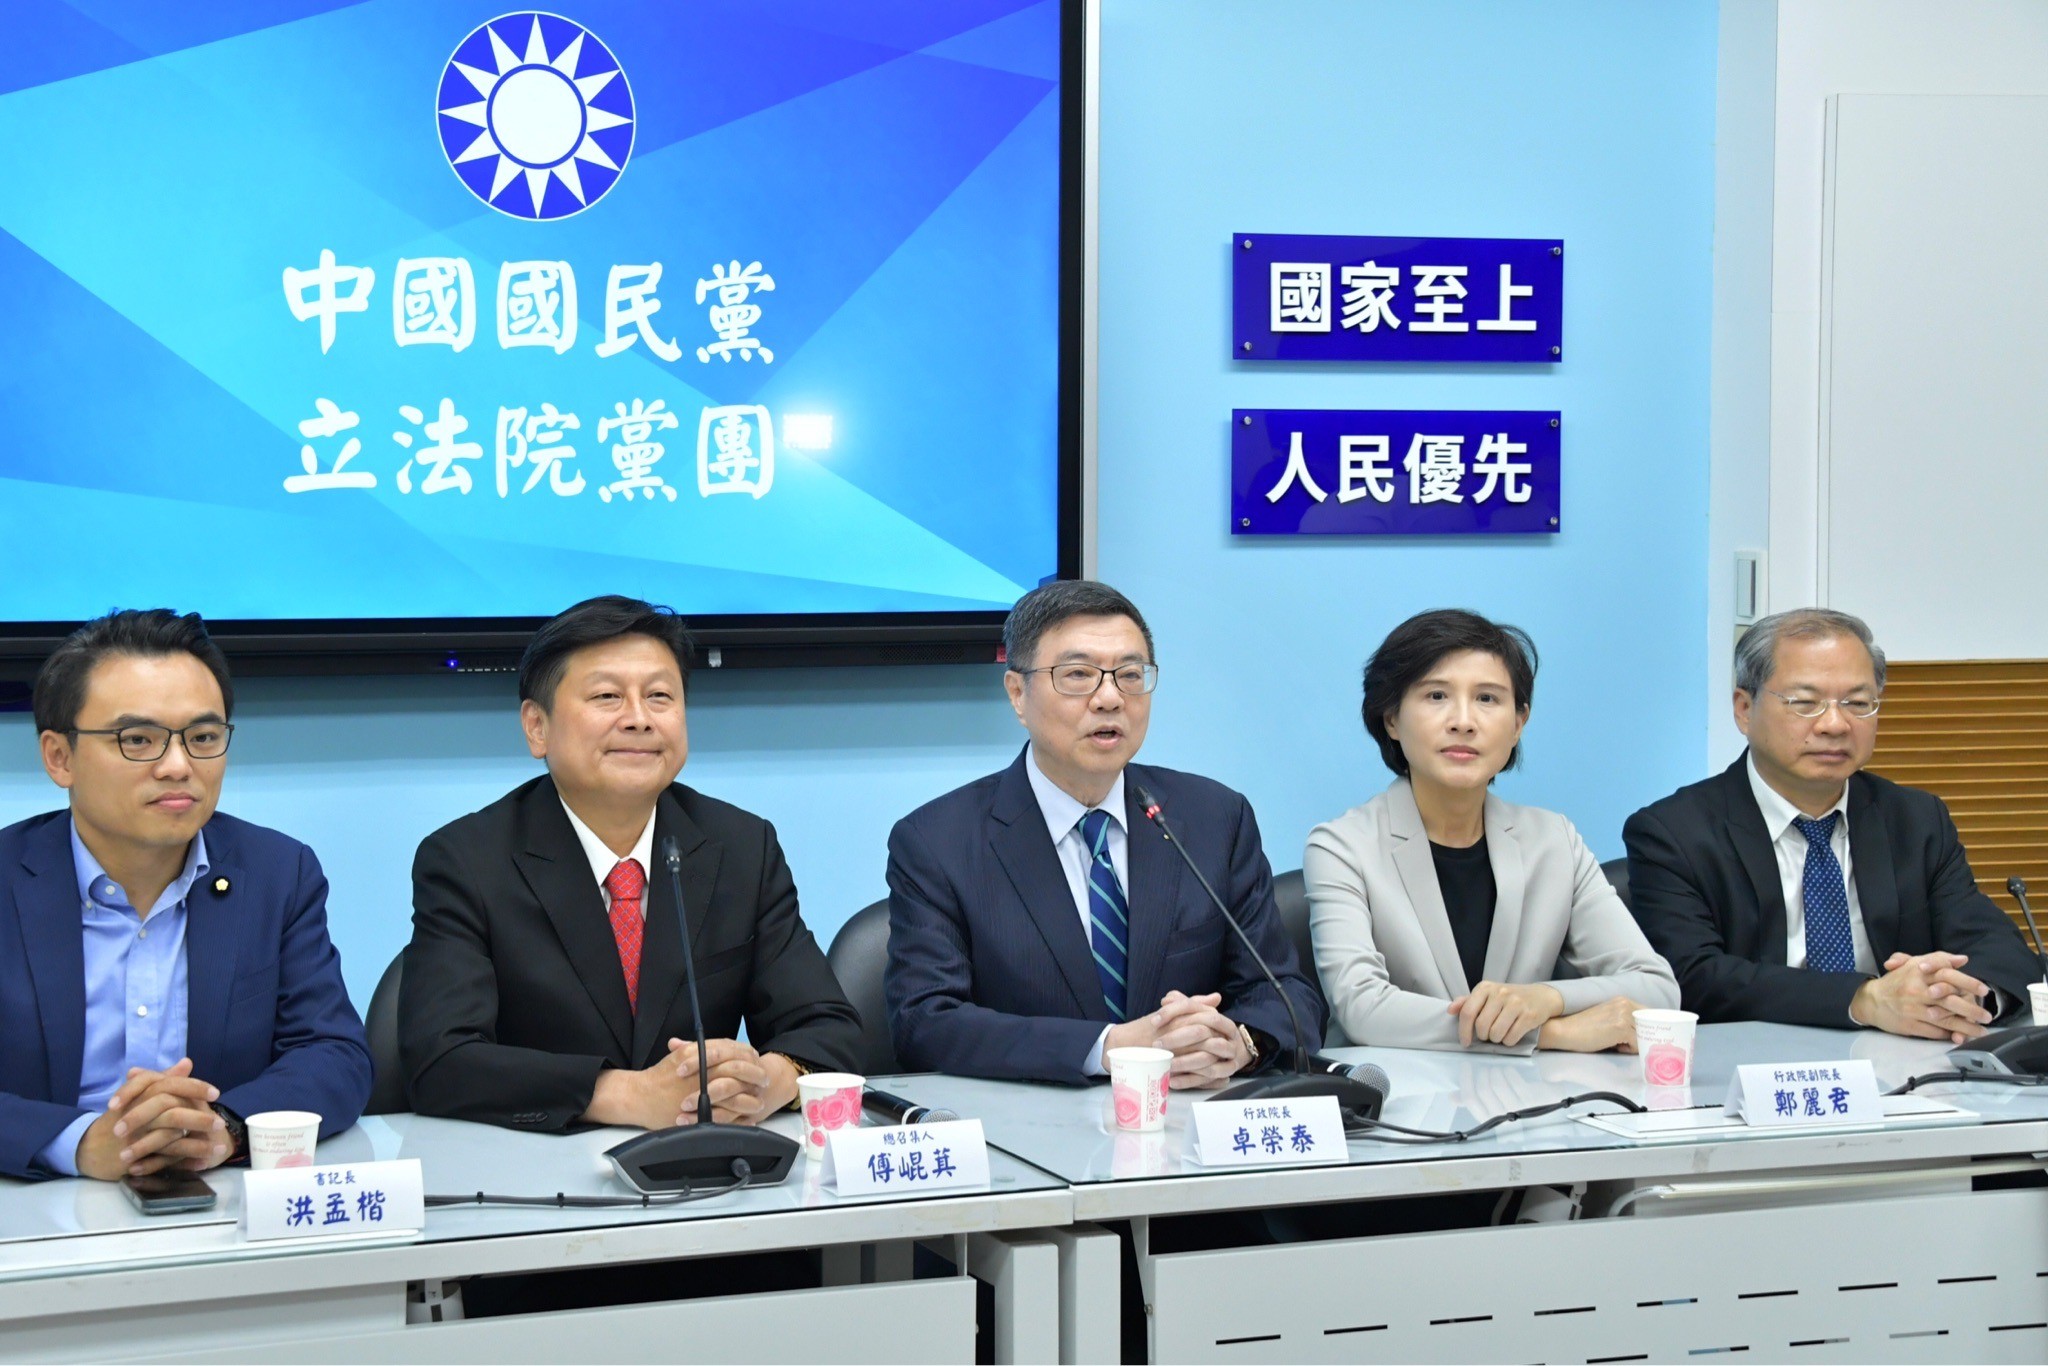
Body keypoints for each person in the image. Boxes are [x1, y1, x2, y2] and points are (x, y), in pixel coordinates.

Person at [399, 595, 860, 1132]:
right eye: (607, 696)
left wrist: (762, 1084)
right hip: (536, 1166)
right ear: (537, 727)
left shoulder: (741, 847)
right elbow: (441, 1061)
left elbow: (830, 1028)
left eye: (660, 696)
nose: (639, 719)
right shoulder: (466, 860)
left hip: (706, 1166)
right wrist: (622, 1095)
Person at [886, 580, 1323, 1086]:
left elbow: (1286, 992)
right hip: (1028, 1119)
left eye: (1130, 675)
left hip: (1187, 1114)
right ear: (1017, 694)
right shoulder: (938, 842)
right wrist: (1106, 1048)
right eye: (1078, 675)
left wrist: (1240, 1044)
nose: (1111, 698)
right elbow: (925, 1022)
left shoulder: (1215, 819)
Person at [0, 610, 370, 1181]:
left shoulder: (276, 873)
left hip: (218, 1199)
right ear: (59, 757)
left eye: (203, 738)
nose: (178, 766)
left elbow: (334, 1054)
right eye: (137, 740)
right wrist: (78, 1143)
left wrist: (226, 1127)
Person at [1625, 608, 2038, 1037]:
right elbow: (1691, 977)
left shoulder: (1915, 820)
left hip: (1901, 1062)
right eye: (1805, 703)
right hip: (1750, 1062)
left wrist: (1961, 997)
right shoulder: (1673, 833)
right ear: (1744, 709)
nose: (1835, 724)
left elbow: (1998, 948)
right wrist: (1863, 999)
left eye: (1857, 703)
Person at [1306, 609, 1677, 1054]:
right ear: (1391, 719)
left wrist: (1547, 999)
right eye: (1437, 695)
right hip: (1396, 1091)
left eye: (1487, 698)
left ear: (1518, 724)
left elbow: (1657, 987)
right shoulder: (1342, 846)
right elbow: (1362, 1007)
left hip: (1528, 1093)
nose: (1463, 721)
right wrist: (1548, 1033)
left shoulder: (1554, 841)